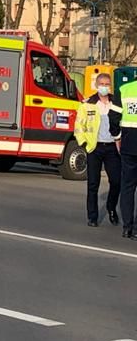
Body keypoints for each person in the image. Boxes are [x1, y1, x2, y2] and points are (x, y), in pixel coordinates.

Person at [75, 72, 122, 227]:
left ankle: (111, 207)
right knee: (93, 184)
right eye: (101, 84)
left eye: (107, 84)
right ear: (96, 86)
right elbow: (78, 126)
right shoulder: (88, 103)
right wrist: (84, 144)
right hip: (94, 148)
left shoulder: (117, 102)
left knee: (116, 182)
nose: (104, 87)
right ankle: (92, 217)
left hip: (112, 147)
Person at [117, 76, 137, 238]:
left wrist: (117, 137)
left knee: (128, 187)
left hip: (129, 144)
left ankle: (127, 226)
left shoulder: (125, 90)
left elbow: (113, 116)